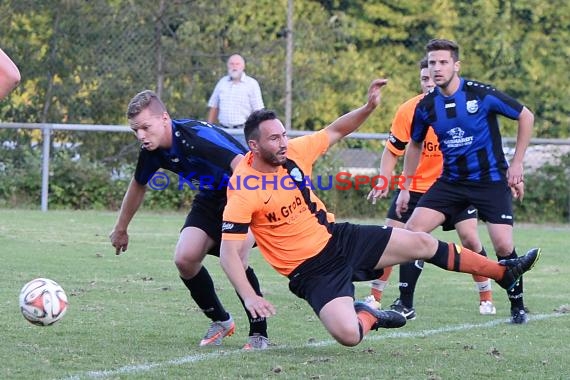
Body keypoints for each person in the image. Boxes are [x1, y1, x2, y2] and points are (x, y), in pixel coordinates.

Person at [218, 78, 541, 347]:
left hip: (339, 238)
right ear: (253, 146)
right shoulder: (244, 187)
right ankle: (369, 314)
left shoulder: (295, 153)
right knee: (349, 336)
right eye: (275, 138)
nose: (284, 142)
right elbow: (229, 253)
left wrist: (368, 107)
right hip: (311, 271)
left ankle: (503, 273)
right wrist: (249, 297)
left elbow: (335, 131)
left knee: (421, 242)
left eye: (284, 134)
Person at [110, 90, 270, 349]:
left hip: (245, 194)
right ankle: (221, 321)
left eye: (145, 127)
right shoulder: (151, 150)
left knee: (237, 256)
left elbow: (243, 165)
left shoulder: (197, 137)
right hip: (210, 197)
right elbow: (138, 184)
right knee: (185, 258)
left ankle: (259, 333)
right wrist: (121, 228)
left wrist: (248, 214)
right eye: (135, 130)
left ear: (164, 118)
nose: (140, 135)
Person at [396, 39, 535, 324]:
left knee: (503, 247)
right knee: (411, 233)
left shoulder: (480, 94)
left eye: (443, 62)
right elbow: (414, 145)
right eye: (432, 63)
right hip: (451, 182)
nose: (436, 68)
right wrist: (406, 186)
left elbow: (525, 115)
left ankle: (518, 305)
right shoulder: (426, 106)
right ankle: (405, 305)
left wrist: (517, 163)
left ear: (456, 65)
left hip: (490, 180)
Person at [367, 57, 495, 319]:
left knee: (470, 238)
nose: (429, 83)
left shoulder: (463, 107)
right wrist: (384, 180)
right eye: (424, 79)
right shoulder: (410, 109)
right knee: (392, 236)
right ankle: (378, 297)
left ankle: (486, 297)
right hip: (415, 188)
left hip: (456, 186)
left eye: (433, 78)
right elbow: (393, 151)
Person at [207, 54, 264, 129]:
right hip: (223, 130)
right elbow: (214, 106)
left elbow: (258, 110)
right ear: (228, 66)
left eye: (237, 64)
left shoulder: (252, 84)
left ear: (243, 66)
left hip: (243, 131)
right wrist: (208, 128)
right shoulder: (222, 82)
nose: (234, 66)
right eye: (232, 64)